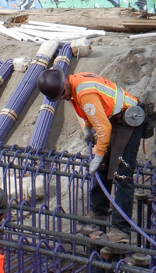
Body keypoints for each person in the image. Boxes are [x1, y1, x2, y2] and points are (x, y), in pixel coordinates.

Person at [38, 69, 147, 245]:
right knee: (103, 167)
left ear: (64, 83)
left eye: (62, 94)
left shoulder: (84, 92)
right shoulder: (76, 83)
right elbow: (94, 108)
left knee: (121, 173)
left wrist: (98, 155)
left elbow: (103, 128)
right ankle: (99, 212)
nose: (63, 97)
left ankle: (121, 229)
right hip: (114, 119)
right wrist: (88, 127)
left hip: (129, 120)